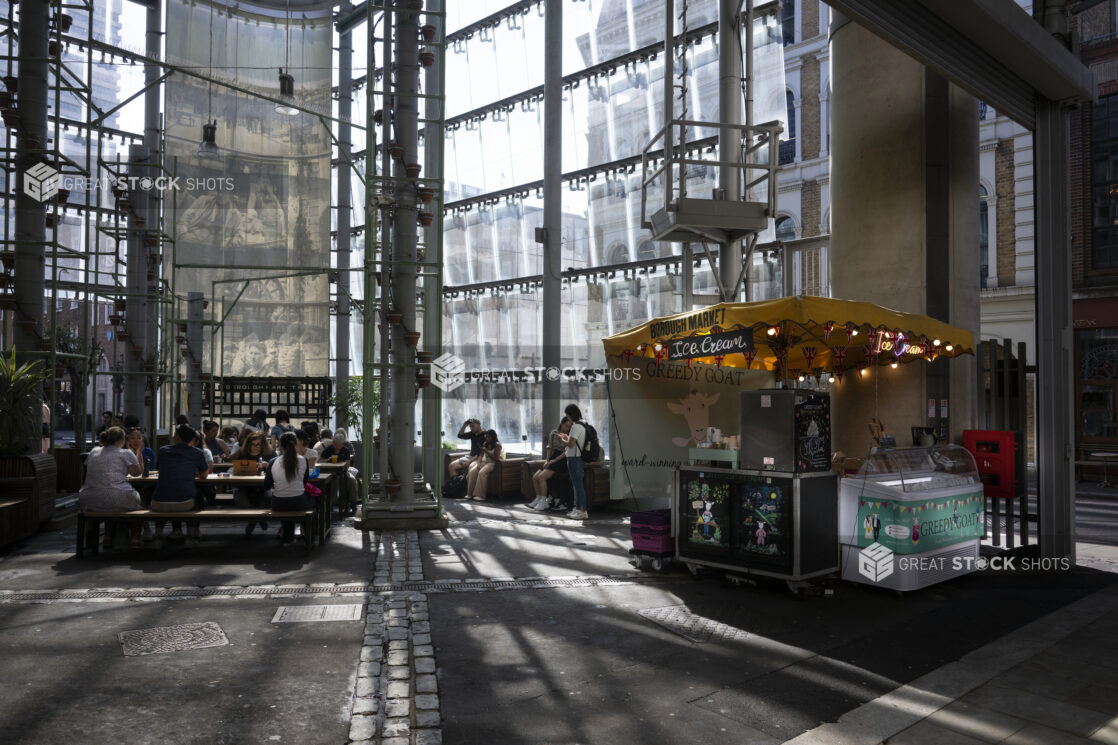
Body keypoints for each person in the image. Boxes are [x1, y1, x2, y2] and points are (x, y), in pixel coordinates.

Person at [78, 426, 144, 548]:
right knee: (134, 503)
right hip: (117, 497)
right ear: (123, 439)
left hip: (88, 499)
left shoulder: (94, 451)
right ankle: (135, 538)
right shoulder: (125, 453)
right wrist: (139, 452)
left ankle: (107, 537)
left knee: (109, 495)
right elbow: (137, 473)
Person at [150, 424, 210, 548]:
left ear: (177, 437)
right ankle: (190, 535)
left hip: (158, 503)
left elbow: (160, 468)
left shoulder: (163, 450)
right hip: (185, 503)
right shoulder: (197, 452)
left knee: (164, 492)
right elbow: (204, 474)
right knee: (198, 496)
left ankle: (158, 535)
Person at [265, 432, 311, 547]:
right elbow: (304, 483)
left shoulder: (272, 462)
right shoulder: (304, 460)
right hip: (299, 503)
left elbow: (267, 485)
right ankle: (307, 532)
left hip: (278, 504)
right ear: (296, 444)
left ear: (281, 446)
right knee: (310, 499)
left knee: (284, 500)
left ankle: (288, 537)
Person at [529, 417, 572, 511]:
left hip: (562, 459)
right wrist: (547, 460)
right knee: (535, 477)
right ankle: (538, 498)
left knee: (541, 477)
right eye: (566, 426)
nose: (567, 428)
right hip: (553, 457)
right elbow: (549, 447)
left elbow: (566, 452)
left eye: (569, 427)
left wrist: (554, 460)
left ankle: (544, 501)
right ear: (561, 423)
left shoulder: (569, 435)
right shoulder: (554, 433)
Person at [556, 404, 589, 520]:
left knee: (578, 486)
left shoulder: (575, 427)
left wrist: (563, 439)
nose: (568, 419)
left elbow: (571, 444)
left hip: (574, 458)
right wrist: (568, 438)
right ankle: (578, 509)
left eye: (568, 416)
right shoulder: (583, 424)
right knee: (577, 485)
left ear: (571, 414)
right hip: (578, 458)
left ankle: (582, 510)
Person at [466, 429, 503, 500]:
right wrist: (479, 463)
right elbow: (480, 455)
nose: (487, 438)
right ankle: (469, 494)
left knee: (482, 472)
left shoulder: (497, 445)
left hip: (493, 463)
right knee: (472, 471)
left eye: (488, 437)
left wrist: (487, 451)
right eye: (486, 437)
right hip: (484, 461)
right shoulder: (485, 443)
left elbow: (496, 458)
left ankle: (480, 495)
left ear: (493, 437)